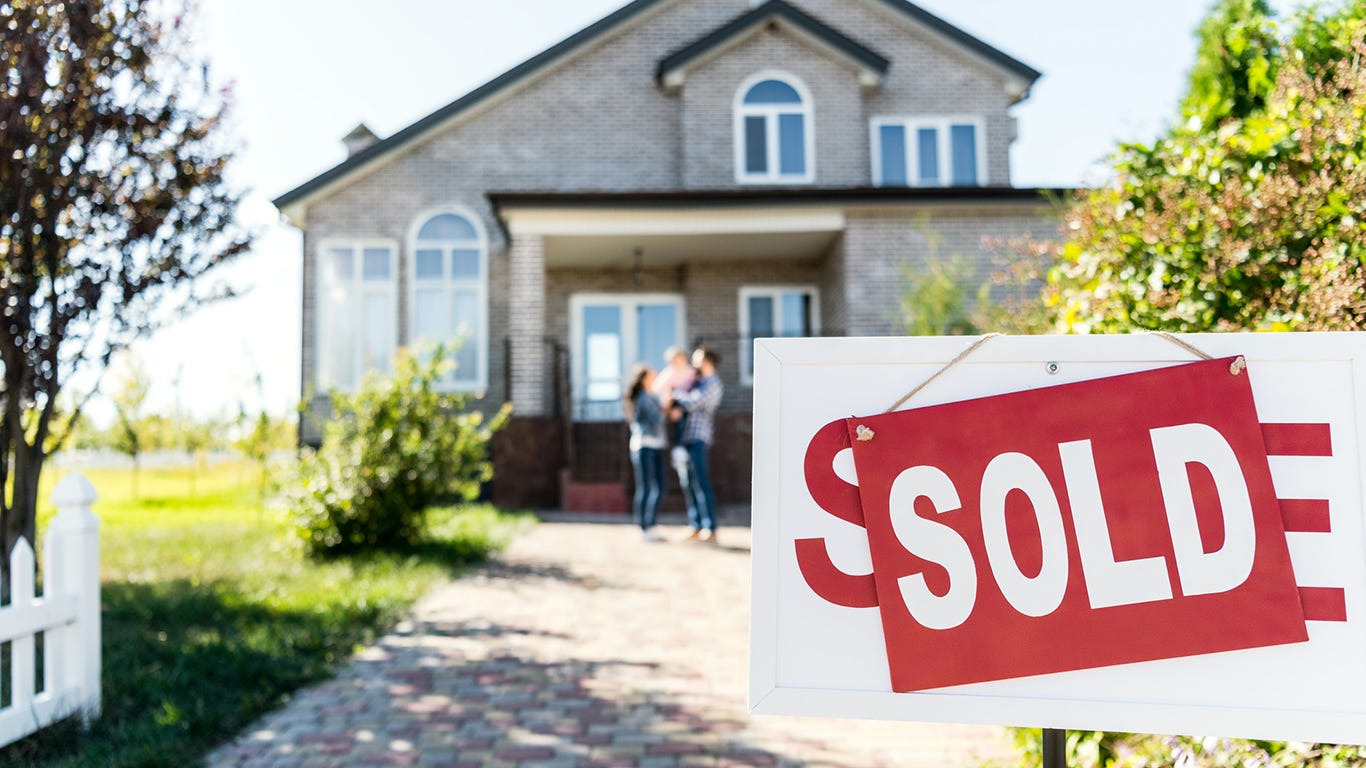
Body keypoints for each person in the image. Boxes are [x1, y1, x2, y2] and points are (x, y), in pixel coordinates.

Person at [668, 346, 723, 543]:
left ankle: (710, 527)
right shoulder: (697, 382)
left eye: (697, 360)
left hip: (699, 438)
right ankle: (696, 525)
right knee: (689, 483)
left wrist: (675, 393)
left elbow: (692, 403)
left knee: (701, 482)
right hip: (687, 438)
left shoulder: (713, 384)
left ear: (707, 362)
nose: (693, 364)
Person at [624, 364, 667, 541]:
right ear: (644, 378)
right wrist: (668, 406)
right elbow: (657, 418)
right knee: (646, 486)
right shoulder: (642, 398)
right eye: (651, 373)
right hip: (643, 446)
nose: (655, 374)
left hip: (657, 445)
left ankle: (651, 524)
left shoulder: (653, 396)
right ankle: (644, 527)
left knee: (660, 486)